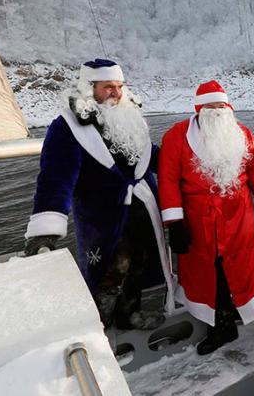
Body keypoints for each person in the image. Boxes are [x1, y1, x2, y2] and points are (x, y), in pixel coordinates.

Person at [24, 58, 173, 330]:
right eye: (108, 87)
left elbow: (150, 156)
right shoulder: (66, 127)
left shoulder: (129, 118)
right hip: (103, 216)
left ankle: (130, 315)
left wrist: (193, 164)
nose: (115, 93)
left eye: (119, 86)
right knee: (109, 273)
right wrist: (44, 231)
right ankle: (99, 329)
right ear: (89, 88)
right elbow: (55, 178)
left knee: (139, 263)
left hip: (141, 209)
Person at [157, 80, 254, 371]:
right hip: (199, 226)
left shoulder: (241, 135)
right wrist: (174, 223)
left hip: (238, 222)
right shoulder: (177, 137)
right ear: (198, 109)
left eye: (221, 106)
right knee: (212, 280)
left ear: (228, 109)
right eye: (210, 107)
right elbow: (167, 180)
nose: (216, 112)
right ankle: (222, 330)